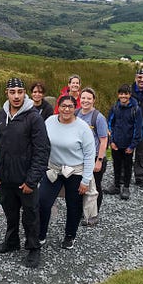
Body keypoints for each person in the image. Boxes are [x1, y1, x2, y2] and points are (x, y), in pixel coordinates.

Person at [0, 77, 50, 268]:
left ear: (25, 93)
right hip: (6, 179)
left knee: (30, 215)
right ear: (6, 93)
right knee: (10, 212)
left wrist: (32, 181)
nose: (16, 96)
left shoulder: (34, 118)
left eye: (20, 92)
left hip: (25, 179)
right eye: (12, 92)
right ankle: (12, 241)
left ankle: (33, 248)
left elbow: (42, 150)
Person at [39, 95, 96, 248]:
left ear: (74, 108)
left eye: (70, 106)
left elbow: (90, 155)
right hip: (53, 169)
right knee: (43, 202)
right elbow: (42, 143)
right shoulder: (49, 121)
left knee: (74, 205)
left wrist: (85, 180)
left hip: (75, 172)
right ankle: (40, 234)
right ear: (58, 106)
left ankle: (70, 236)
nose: (66, 109)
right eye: (63, 106)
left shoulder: (82, 128)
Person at [105, 84, 143, 200]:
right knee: (116, 165)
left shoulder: (136, 109)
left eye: (125, 94)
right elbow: (109, 124)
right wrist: (111, 141)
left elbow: (138, 128)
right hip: (116, 143)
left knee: (127, 166)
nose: (123, 96)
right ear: (118, 95)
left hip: (128, 144)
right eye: (121, 94)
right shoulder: (115, 107)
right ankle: (116, 186)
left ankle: (126, 187)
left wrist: (132, 145)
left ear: (129, 95)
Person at [76, 87, 108, 223]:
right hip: (79, 157)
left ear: (94, 100)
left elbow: (103, 140)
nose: (85, 101)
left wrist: (99, 160)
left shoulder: (98, 118)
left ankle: (94, 215)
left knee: (95, 186)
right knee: (81, 185)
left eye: (89, 98)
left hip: (95, 157)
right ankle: (81, 212)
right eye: (83, 98)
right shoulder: (76, 113)